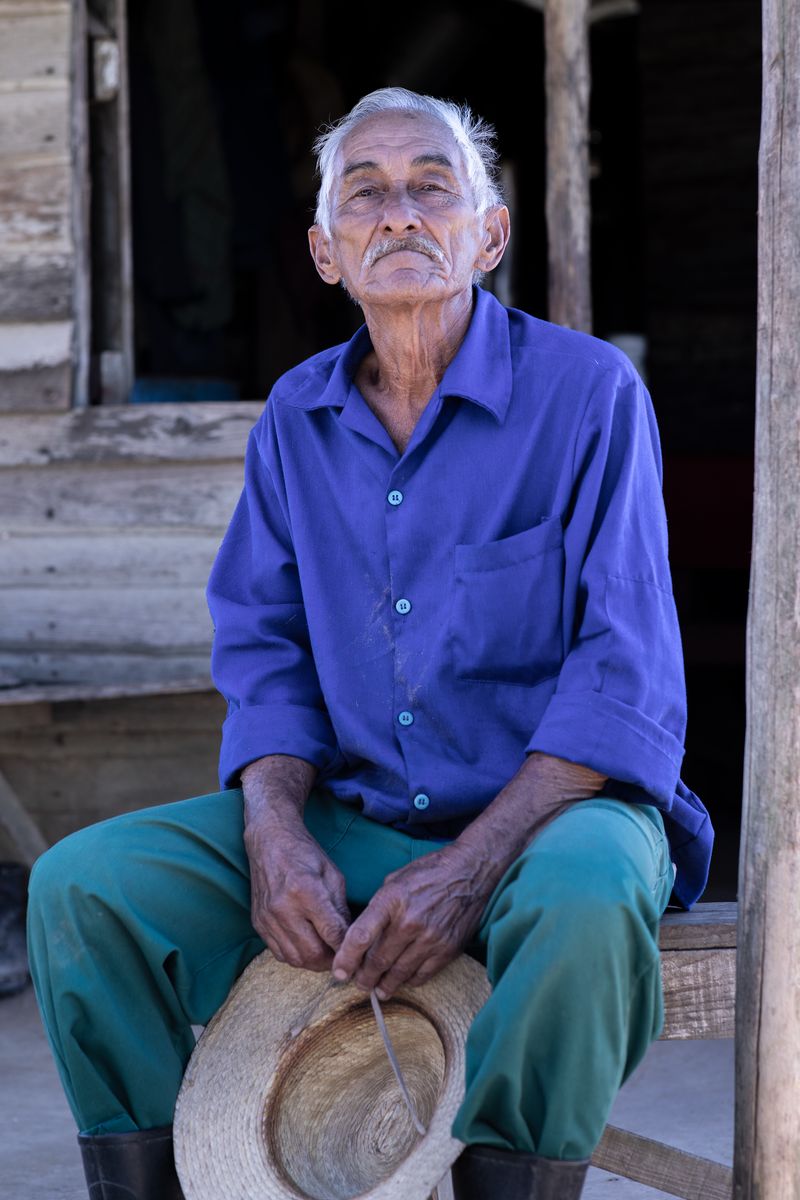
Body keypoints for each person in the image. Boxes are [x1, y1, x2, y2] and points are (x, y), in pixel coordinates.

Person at [27, 87, 713, 1200]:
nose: (399, 213)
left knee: (588, 896)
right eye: (366, 194)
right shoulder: (294, 421)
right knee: (81, 887)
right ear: (324, 252)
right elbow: (264, 651)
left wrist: (468, 865)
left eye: (431, 187)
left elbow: (621, 669)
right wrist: (273, 826)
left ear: (487, 235)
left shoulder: (587, 396)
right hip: (354, 817)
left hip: (551, 818)